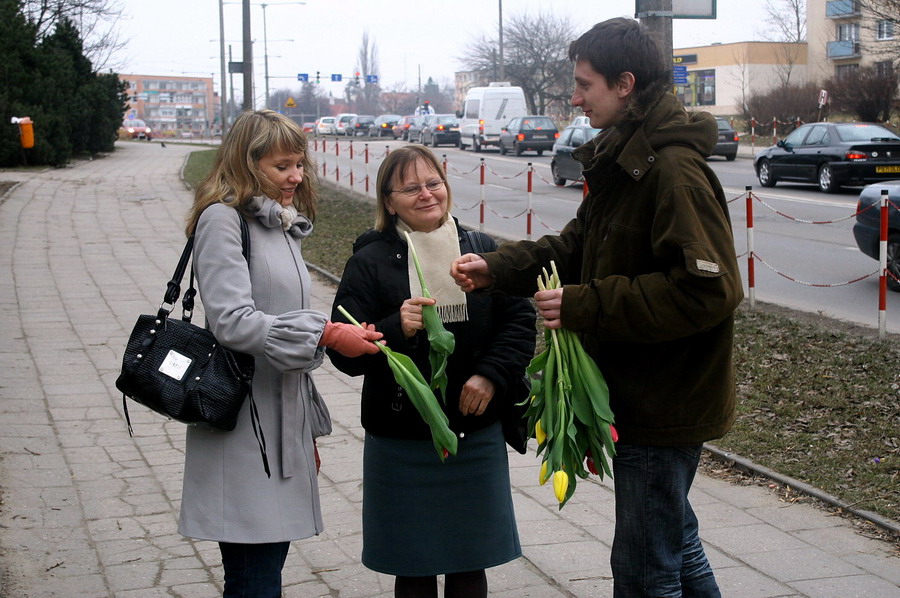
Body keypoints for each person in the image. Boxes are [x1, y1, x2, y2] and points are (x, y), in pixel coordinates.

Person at [451, 18, 744, 598]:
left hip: (664, 401)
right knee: (674, 543)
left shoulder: (673, 172)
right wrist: (499, 267)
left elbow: (709, 290)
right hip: (642, 391)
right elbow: (578, 246)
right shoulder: (626, 158)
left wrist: (586, 305)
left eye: (585, 85)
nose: (576, 99)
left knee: (642, 567)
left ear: (626, 83)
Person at [179, 109, 383, 597]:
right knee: (253, 576)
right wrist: (327, 336)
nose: (296, 176)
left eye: (299, 164)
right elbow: (231, 321)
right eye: (282, 166)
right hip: (242, 422)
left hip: (280, 419)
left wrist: (303, 431)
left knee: (264, 570)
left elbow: (282, 318)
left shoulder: (279, 224)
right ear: (247, 165)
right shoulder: (223, 221)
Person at [328, 145, 535, 598]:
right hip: (402, 437)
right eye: (411, 188)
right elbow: (342, 352)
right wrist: (392, 329)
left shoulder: (480, 250)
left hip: (473, 432)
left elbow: (520, 324)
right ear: (388, 200)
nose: (426, 194)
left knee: (468, 563)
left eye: (434, 183)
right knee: (414, 565)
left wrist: (491, 375)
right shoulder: (370, 260)